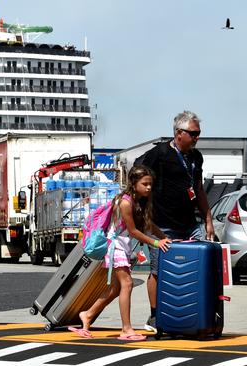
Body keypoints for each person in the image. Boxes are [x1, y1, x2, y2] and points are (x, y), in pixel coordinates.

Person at [69, 166, 171, 340]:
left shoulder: (140, 201)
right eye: (145, 184)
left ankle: (87, 315)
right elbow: (133, 231)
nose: (148, 187)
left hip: (123, 245)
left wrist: (165, 237)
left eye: (150, 184)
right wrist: (156, 242)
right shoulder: (125, 202)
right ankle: (126, 329)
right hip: (114, 245)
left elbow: (148, 225)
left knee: (117, 289)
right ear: (134, 183)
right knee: (128, 284)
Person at [135, 110, 214, 333]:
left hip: (190, 223)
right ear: (179, 133)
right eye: (194, 133)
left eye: (199, 133)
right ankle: (154, 316)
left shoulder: (196, 158)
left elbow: (198, 189)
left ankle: (190, 313)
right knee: (159, 270)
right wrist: (141, 213)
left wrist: (207, 219)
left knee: (199, 266)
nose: (197, 137)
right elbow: (138, 178)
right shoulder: (159, 154)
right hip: (162, 225)